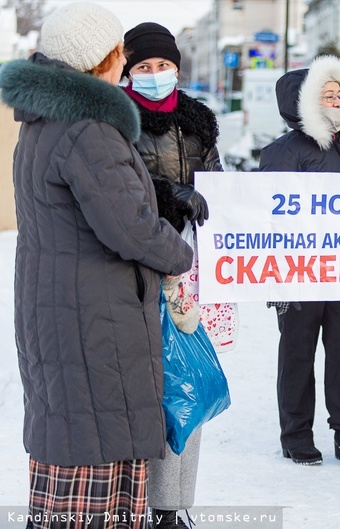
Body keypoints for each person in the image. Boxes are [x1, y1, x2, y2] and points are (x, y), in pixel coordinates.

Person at [0, 3, 194, 528]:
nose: (124, 61)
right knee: (97, 450)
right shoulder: (89, 128)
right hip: (95, 318)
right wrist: (180, 253)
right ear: (101, 59)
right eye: (120, 52)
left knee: (71, 435)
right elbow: (129, 225)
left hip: (59, 306)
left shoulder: (44, 121)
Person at [121, 21, 224, 528]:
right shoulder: (119, 121)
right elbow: (125, 186)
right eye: (144, 66)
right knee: (159, 386)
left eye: (163, 65)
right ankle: (155, 503)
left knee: (191, 383)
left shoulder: (199, 119)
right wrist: (171, 194)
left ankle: (179, 502)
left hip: (191, 265)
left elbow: (217, 184)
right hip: (139, 265)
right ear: (128, 71)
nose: (156, 74)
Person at [258, 55, 340, 467]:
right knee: (297, 353)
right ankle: (296, 434)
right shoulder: (282, 152)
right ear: (304, 102)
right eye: (327, 94)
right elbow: (268, 214)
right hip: (297, 275)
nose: (337, 102)